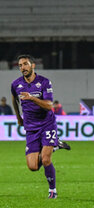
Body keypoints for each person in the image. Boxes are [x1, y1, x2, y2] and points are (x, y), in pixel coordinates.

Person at [11, 54, 70, 199]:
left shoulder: (44, 82)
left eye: (25, 64)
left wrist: (32, 98)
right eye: (20, 65)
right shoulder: (16, 84)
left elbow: (49, 105)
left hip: (47, 125)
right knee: (33, 167)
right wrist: (19, 118)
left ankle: (53, 190)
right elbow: (14, 99)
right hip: (31, 128)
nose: (22, 68)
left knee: (45, 159)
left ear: (33, 65)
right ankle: (55, 146)